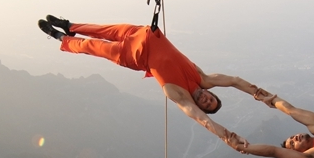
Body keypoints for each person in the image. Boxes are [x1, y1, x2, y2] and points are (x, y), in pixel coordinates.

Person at [38, 15, 259, 150]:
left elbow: (204, 122)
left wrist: (227, 136)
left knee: (91, 46)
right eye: (211, 99)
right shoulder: (202, 78)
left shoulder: (180, 96)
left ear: (200, 105)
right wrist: (261, 94)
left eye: (206, 104)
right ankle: (68, 25)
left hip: (132, 55)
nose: (207, 99)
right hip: (142, 34)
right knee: (104, 29)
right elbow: (234, 81)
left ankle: (60, 37)